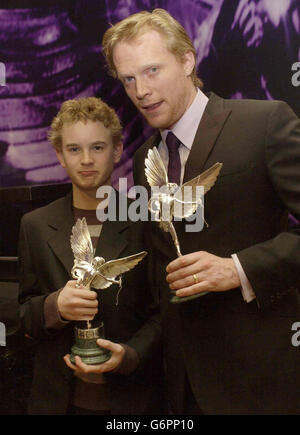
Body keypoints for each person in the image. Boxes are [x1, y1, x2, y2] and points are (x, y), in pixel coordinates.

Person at [102, 8, 300, 414]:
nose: (141, 90)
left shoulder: (264, 123)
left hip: (261, 381)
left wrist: (239, 268)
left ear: (188, 60)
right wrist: (134, 352)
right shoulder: (145, 159)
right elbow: (164, 275)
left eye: (153, 70)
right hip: (182, 385)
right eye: (129, 79)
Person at [18, 97, 163, 415]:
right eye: (74, 149)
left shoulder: (147, 221)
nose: (86, 160)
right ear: (59, 155)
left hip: (133, 402)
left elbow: (165, 312)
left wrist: (131, 354)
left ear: (117, 150)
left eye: (97, 147)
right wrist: (54, 306)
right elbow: (23, 314)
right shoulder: (35, 225)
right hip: (57, 401)